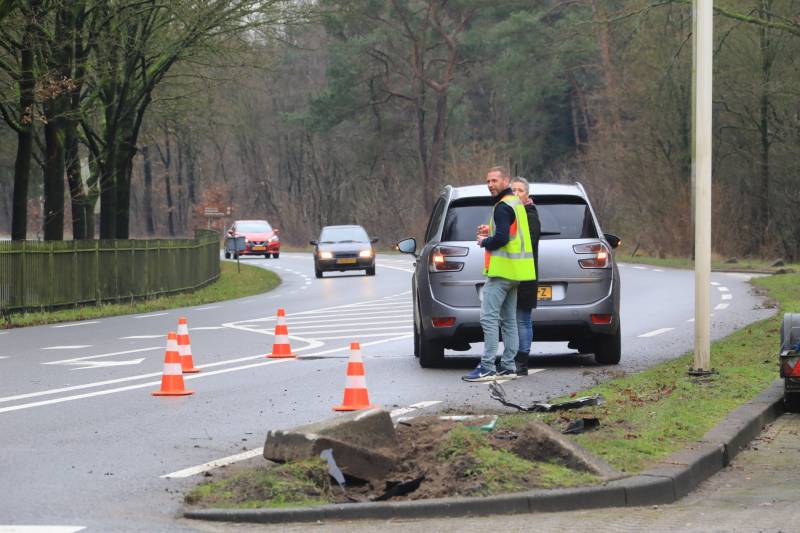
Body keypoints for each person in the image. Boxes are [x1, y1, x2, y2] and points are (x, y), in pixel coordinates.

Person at [463, 166, 537, 382]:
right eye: (488, 181)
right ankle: (508, 366)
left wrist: (484, 241)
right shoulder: (516, 203)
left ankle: (487, 366)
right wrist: (492, 232)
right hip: (516, 273)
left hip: (501, 273)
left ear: (506, 181)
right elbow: (511, 233)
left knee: (488, 318)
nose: (490, 185)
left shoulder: (503, 206)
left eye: (494, 180)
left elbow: (503, 239)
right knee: (509, 320)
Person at [510, 177, 541, 376]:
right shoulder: (508, 213)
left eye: (520, 190)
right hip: (509, 274)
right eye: (513, 190)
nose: (516, 193)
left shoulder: (530, 214)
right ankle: (511, 358)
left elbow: (526, 241)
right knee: (510, 320)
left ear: (527, 194)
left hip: (525, 276)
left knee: (522, 319)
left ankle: (522, 360)